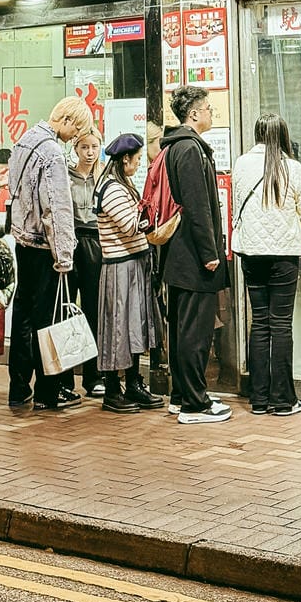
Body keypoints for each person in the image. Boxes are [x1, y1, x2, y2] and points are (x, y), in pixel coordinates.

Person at [7, 95, 90, 410]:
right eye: (76, 130)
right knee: (48, 319)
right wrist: (64, 255)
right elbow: (56, 208)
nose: (75, 137)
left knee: (23, 315)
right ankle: (47, 391)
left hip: (22, 241)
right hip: (44, 247)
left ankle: (18, 388)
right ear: (67, 120)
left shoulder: (24, 140)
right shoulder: (52, 152)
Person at [232, 114, 301, 417]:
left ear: (256, 134)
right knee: (281, 324)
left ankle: (258, 399)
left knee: (260, 323)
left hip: (251, 255)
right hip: (283, 256)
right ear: (283, 135)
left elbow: (236, 211)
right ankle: (283, 400)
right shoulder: (292, 169)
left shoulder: (241, 165)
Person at [161, 85, 231, 424]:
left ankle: (183, 394)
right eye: (208, 109)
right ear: (193, 114)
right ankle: (194, 403)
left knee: (183, 328)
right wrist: (210, 251)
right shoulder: (189, 149)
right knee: (194, 331)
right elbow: (198, 206)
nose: (211, 114)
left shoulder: (178, 146)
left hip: (180, 254)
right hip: (192, 255)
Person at [94, 133, 164, 414]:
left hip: (134, 263)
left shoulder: (124, 185)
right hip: (120, 267)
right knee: (117, 328)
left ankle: (134, 382)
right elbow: (131, 225)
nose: (138, 165)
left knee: (135, 326)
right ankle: (112, 390)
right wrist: (157, 210)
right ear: (124, 160)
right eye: (136, 160)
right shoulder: (111, 189)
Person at [68, 125, 104, 398]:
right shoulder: (66, 175)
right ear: (75, 148)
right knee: (67, 310)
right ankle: (65, 377)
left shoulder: (104, 176)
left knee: (93, 309)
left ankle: (94, 376)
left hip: (96, 241)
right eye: (84, 147)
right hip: (71, 242)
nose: (90, 152)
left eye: (94, 146)